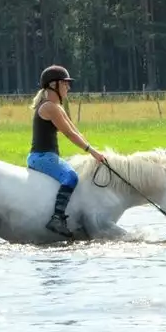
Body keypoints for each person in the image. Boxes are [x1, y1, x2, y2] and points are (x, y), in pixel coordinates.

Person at [27, 65, 107, 237]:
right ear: (53, 85)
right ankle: (57, 218)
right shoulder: (49, 107)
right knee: (70, 176)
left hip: (48, 156)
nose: (68, 87)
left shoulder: (56, 107)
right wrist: (92, 152)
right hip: (41, 157)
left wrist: (95, 151)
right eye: (65, 84)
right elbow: (69, 134)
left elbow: (75, 130)